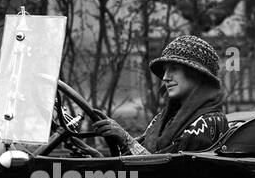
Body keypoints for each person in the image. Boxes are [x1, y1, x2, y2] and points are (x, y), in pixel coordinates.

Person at [93, 34, 229, 155]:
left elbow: (165, 171)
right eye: (165, 70)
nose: (165, 77)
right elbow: (140, 157)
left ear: (196, 75)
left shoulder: (207, 123)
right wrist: (98, 157)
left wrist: (126, 139)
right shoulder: (163, 119)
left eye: (174, 69)